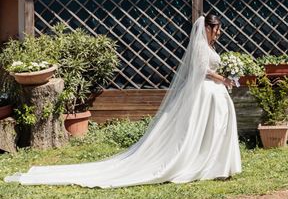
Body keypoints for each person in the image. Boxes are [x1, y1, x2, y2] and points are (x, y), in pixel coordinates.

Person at [4, 13, 242, 188]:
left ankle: (216, 162)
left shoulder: (209, 45)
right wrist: (224, 78)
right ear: (207, 29)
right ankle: (205, 162)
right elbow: (201, 70)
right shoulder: (201, 46)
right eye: (217, 28)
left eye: (219, 28)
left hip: (213, 92)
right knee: (204, 127)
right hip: (206, 91)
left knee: (215, 127)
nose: (219, 32)